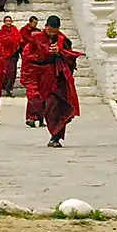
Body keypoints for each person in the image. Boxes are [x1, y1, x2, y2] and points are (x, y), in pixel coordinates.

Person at [23, 15, 83, 147]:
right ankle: (52, 133)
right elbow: (28, 57)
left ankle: (55, 137)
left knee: (57, 106)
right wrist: (43, 55)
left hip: (58, 79)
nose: (52, 34)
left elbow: (70, 57)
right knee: (49, 107)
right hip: (43, 77)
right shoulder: (36, 38)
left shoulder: (62, 39)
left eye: (54, 32)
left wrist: (59, 52)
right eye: (50, 31)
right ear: (46, 27)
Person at [18, 15, 45, 127]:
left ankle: (41, 119)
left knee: (42, 97)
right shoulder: (28, 48)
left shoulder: (42, 46)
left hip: (42, 76)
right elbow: (27, 61)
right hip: (31, 76)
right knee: (33, 98)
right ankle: (31, 118)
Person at [0, 15, 23, 96]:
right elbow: (3, 41)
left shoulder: (15, 29)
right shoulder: (2, 31)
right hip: (6, 54)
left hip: (14, 54)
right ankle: (4, 87)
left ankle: (9, 89)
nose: (8, 22)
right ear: (4, 22)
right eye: (6, 21)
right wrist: (11, 39)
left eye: (9, 21)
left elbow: (19, 39)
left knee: (13, 72)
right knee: (7, 72)